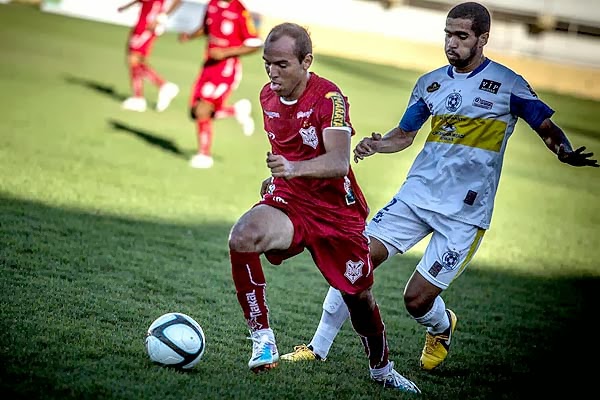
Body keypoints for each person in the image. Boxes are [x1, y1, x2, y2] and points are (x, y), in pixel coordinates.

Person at [280, 1, 598, 371]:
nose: (451, 43)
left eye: (461, 36)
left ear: (483, 38)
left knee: (415, 301)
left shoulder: (508, 84)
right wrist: (376, 145)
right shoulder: (430, 83)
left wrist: (563, 150)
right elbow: (404, 135)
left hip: (464, 214)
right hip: (417, 196)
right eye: (448, 34)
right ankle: (317, 347)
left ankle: (441, 327)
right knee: (355, 261)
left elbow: (544, 125)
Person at [228, 22, 421, 394]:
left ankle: (381, 369)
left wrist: (293, 169)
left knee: (358, 297)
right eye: (267, 63)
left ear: (306, 61)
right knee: (243, 236)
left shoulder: (328, 98)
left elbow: (337, 162)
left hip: (338, 213)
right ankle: (263, 339)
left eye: (282, 64)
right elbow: (289, 154)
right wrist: (279, 181)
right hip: (292, 201)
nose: (272, 72)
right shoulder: (267, 98)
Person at [178, 0, 263, 169]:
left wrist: (225, 52)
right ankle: (235, 111)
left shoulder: (240, 11)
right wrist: (190, 35)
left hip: (226, 69)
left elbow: (255, 44)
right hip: (208, 67)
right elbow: (206, 27)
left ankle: (204, 155)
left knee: (203, 110)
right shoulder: (212, 4)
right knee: (195, 111)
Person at [118, 0, 182, 112]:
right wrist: (127, 6)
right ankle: (157, 90)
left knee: (133, 59)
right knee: (137, 61)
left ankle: (158, 89)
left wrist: (161, 18)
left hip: (149, 24)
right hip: (142, 22)